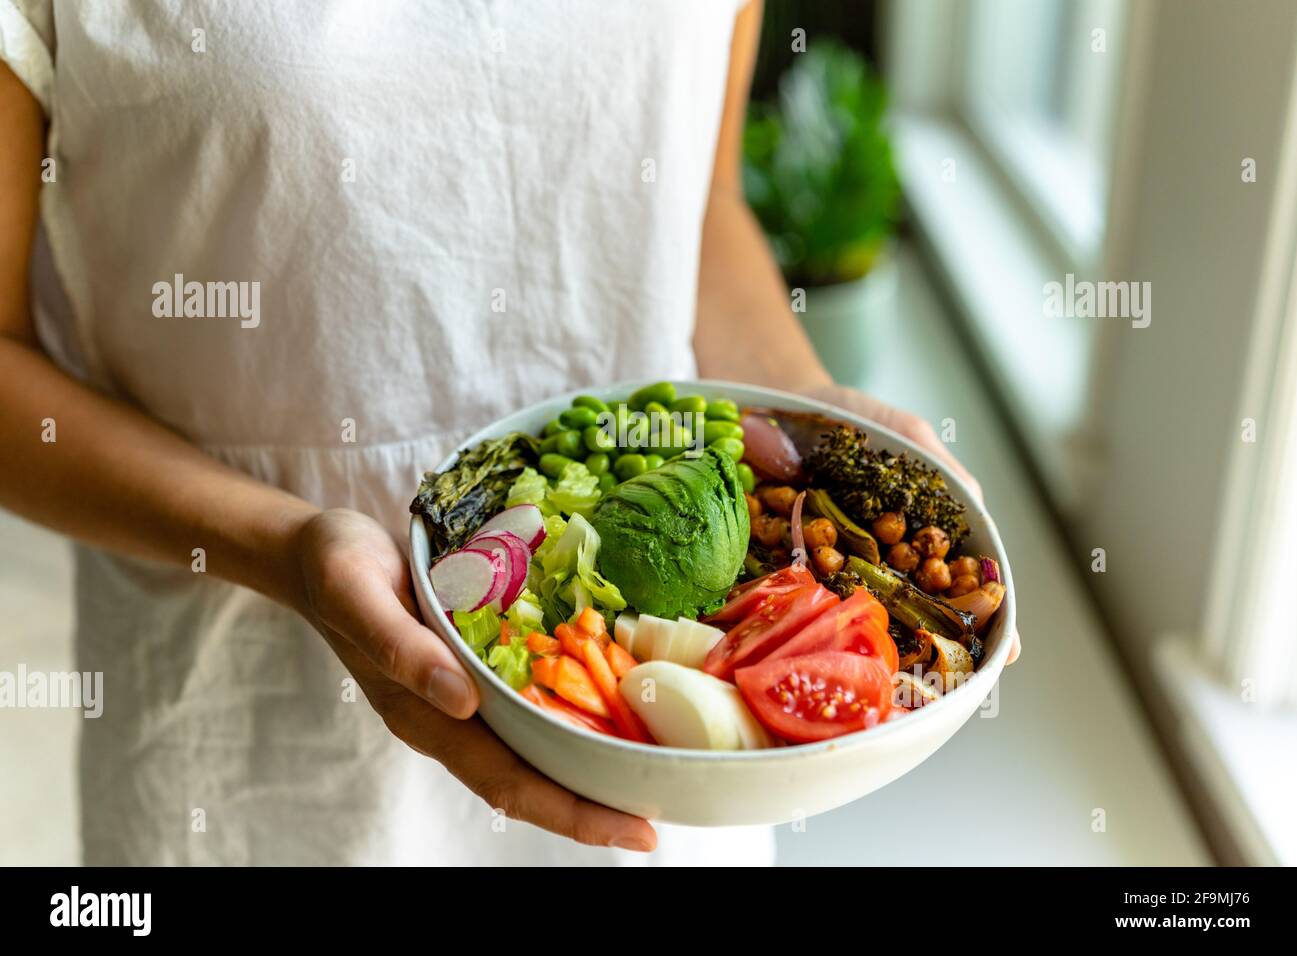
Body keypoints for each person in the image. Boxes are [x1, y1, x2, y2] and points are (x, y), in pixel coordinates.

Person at [0, 1, 1013, 865]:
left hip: (652, 715)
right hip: (249, 717)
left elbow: (692, 207)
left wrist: (814, 424)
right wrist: (286, 547)